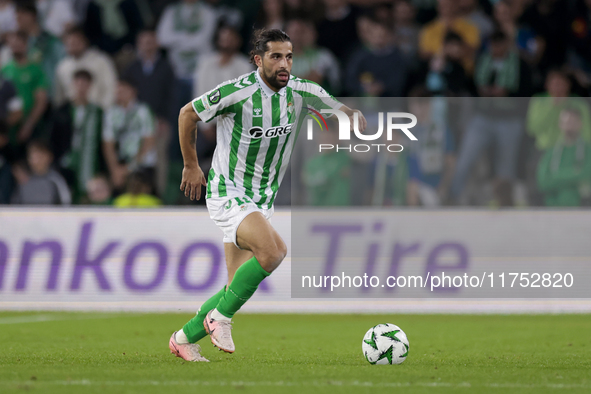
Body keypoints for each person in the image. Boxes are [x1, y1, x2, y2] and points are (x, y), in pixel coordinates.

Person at [169, 28, 366, 361]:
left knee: (235, 286)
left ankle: (183, 338)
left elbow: (343, 112)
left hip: (262, 199)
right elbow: (187, 113)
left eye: (289, 56)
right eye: (276, 56)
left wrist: (358, 123)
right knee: (274, 252)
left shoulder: (302, 92)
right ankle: (220, 319)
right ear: (259, 60)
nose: (284, 63)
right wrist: (190, 165)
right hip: (228, 190)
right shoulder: (238, 91)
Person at [49, 69, 103, 201]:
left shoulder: (98, 112)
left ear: (90, 86)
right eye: (78, 83)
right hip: (65, 163)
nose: (81, 87)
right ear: (73, 84)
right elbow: (53, 139)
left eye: (85, 84)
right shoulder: (62, 111)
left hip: (89, 163)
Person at [102, 77, 156, 191]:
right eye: (118, 90)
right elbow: (108, 144)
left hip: (142, 164)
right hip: (121, 163)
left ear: (132, 91)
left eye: (123, 90)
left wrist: (128, 169)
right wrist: (114, 170)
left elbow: (148, 142)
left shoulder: (143, 111)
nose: (119, 93)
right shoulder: (111, 113)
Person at [1, 31, 48, 159]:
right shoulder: (5, 70)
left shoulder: (35, 70)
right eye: (12, 43)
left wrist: (29, 125)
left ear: (26, 44)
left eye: (18, 43)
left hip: (30, 125)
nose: (15, 46)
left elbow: (41, 100)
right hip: (8, 128)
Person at [537, 107, 591, 206]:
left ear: (580, 124)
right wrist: (575, 175)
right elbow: (543, 181)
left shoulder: (588, 150)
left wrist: (557, 177)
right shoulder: (551, 152)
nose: (569, 126)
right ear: (560, 124)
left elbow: (587, 175)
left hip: (582, 207)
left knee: (568, 195)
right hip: (553, 207)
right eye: (566, 122)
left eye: (573, 122)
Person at [54, 26, 117, 110]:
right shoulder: (62, 67)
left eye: (76, 42)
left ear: (85, 41)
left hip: (99, 111)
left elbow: (111, 88)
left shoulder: (101, 61)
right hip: (72, 115)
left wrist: (102, 111)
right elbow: (59, 97)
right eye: (69, 43)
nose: (72, 46)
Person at [346, 17, 408, 97]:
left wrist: (382, 86)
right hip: (363, 100)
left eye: (382, 35)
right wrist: (363, 87)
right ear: (368, 36)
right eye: (375, 35)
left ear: (390, 36)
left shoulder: (397, 56)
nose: (379, 39)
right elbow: (350, 79)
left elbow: (400, 79)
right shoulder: (360, 56)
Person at [15, 3, 65, 96]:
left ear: (32, 16)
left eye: (21, 16)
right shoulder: (22, 42)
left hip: (50, 93)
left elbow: (61, 64)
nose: (18, 20)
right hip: (31, 94)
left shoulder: (49, 40)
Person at [286, 18, 341, 95]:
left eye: (302, 32)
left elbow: (312, 82)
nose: (298, 37)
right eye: (294, 33)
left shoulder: (323, 55)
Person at [11, 139, 71, 205]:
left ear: (49, 157)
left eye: (39, 156)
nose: (34, 160)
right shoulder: (23, 181)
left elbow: (65, 205)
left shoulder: (56, 181)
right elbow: (15, 205)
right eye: (32, 156)